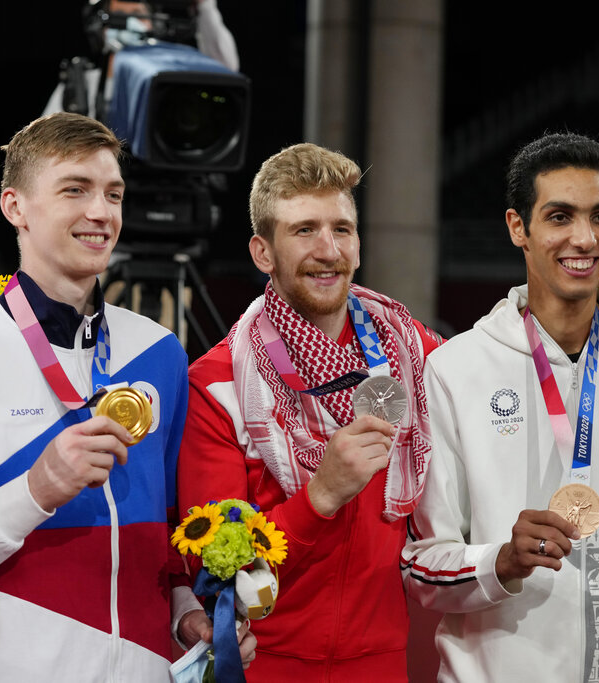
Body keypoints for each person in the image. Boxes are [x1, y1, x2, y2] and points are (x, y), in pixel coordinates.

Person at [0, 111, 255, 682]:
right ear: (15, 207)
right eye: (74, 190)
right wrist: (32, 492)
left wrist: (185, 612)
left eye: (114, 193)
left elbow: (170, 533)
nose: (101, 213)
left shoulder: (157, 352)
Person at [402, 132, 599, 682]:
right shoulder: (457, 369)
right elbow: (425, 563)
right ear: (518, 228)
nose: (584, 239)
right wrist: (499, 561)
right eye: (559, 217)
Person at [178, 142, 444, 680]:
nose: (328, 250)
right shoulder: (220, 381)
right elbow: (214, 567)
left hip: (383, 665)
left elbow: (506, 374)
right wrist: (320, 495)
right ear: (262, 252)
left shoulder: (413, 349)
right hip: (268, 666)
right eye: (304, 230)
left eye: (341, 229)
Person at [44, 0, 239, 119]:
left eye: (138, 15)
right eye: (118, 16)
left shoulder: (171, 79)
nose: (129, 23)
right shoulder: (83, 83)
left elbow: (225, 71)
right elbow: (46, 146)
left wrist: (205, 6)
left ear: (153, 24)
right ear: (100, 29)